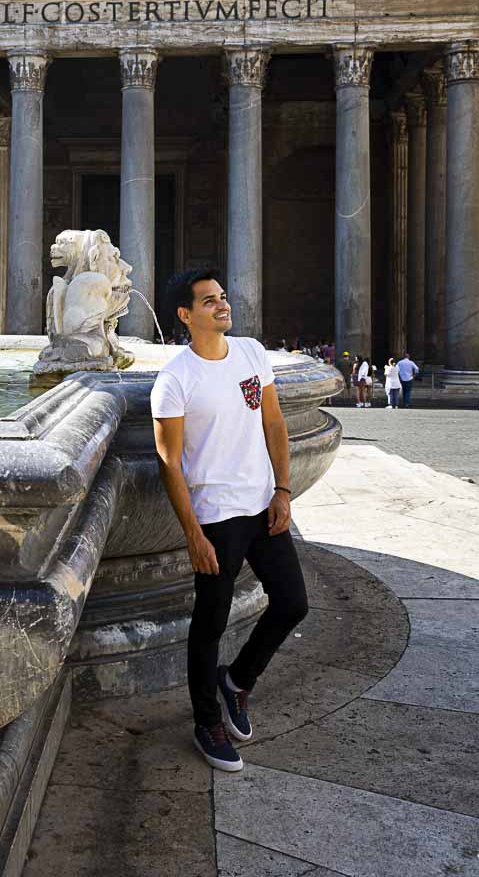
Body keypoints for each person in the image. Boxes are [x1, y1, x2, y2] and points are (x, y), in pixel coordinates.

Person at [150, 269, 307, 774]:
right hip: (217, 517)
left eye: (222, 298)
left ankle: (237, 682)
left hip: (262, 505)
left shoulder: (251, 354)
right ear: (185, 315)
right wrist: (193, 533)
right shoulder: (175, 379)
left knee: (292, 604)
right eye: (209, 301)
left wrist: (283, 490)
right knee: (210, 621)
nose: (222, 306)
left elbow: (274, 422)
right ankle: (206, 721)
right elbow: (169, 462)